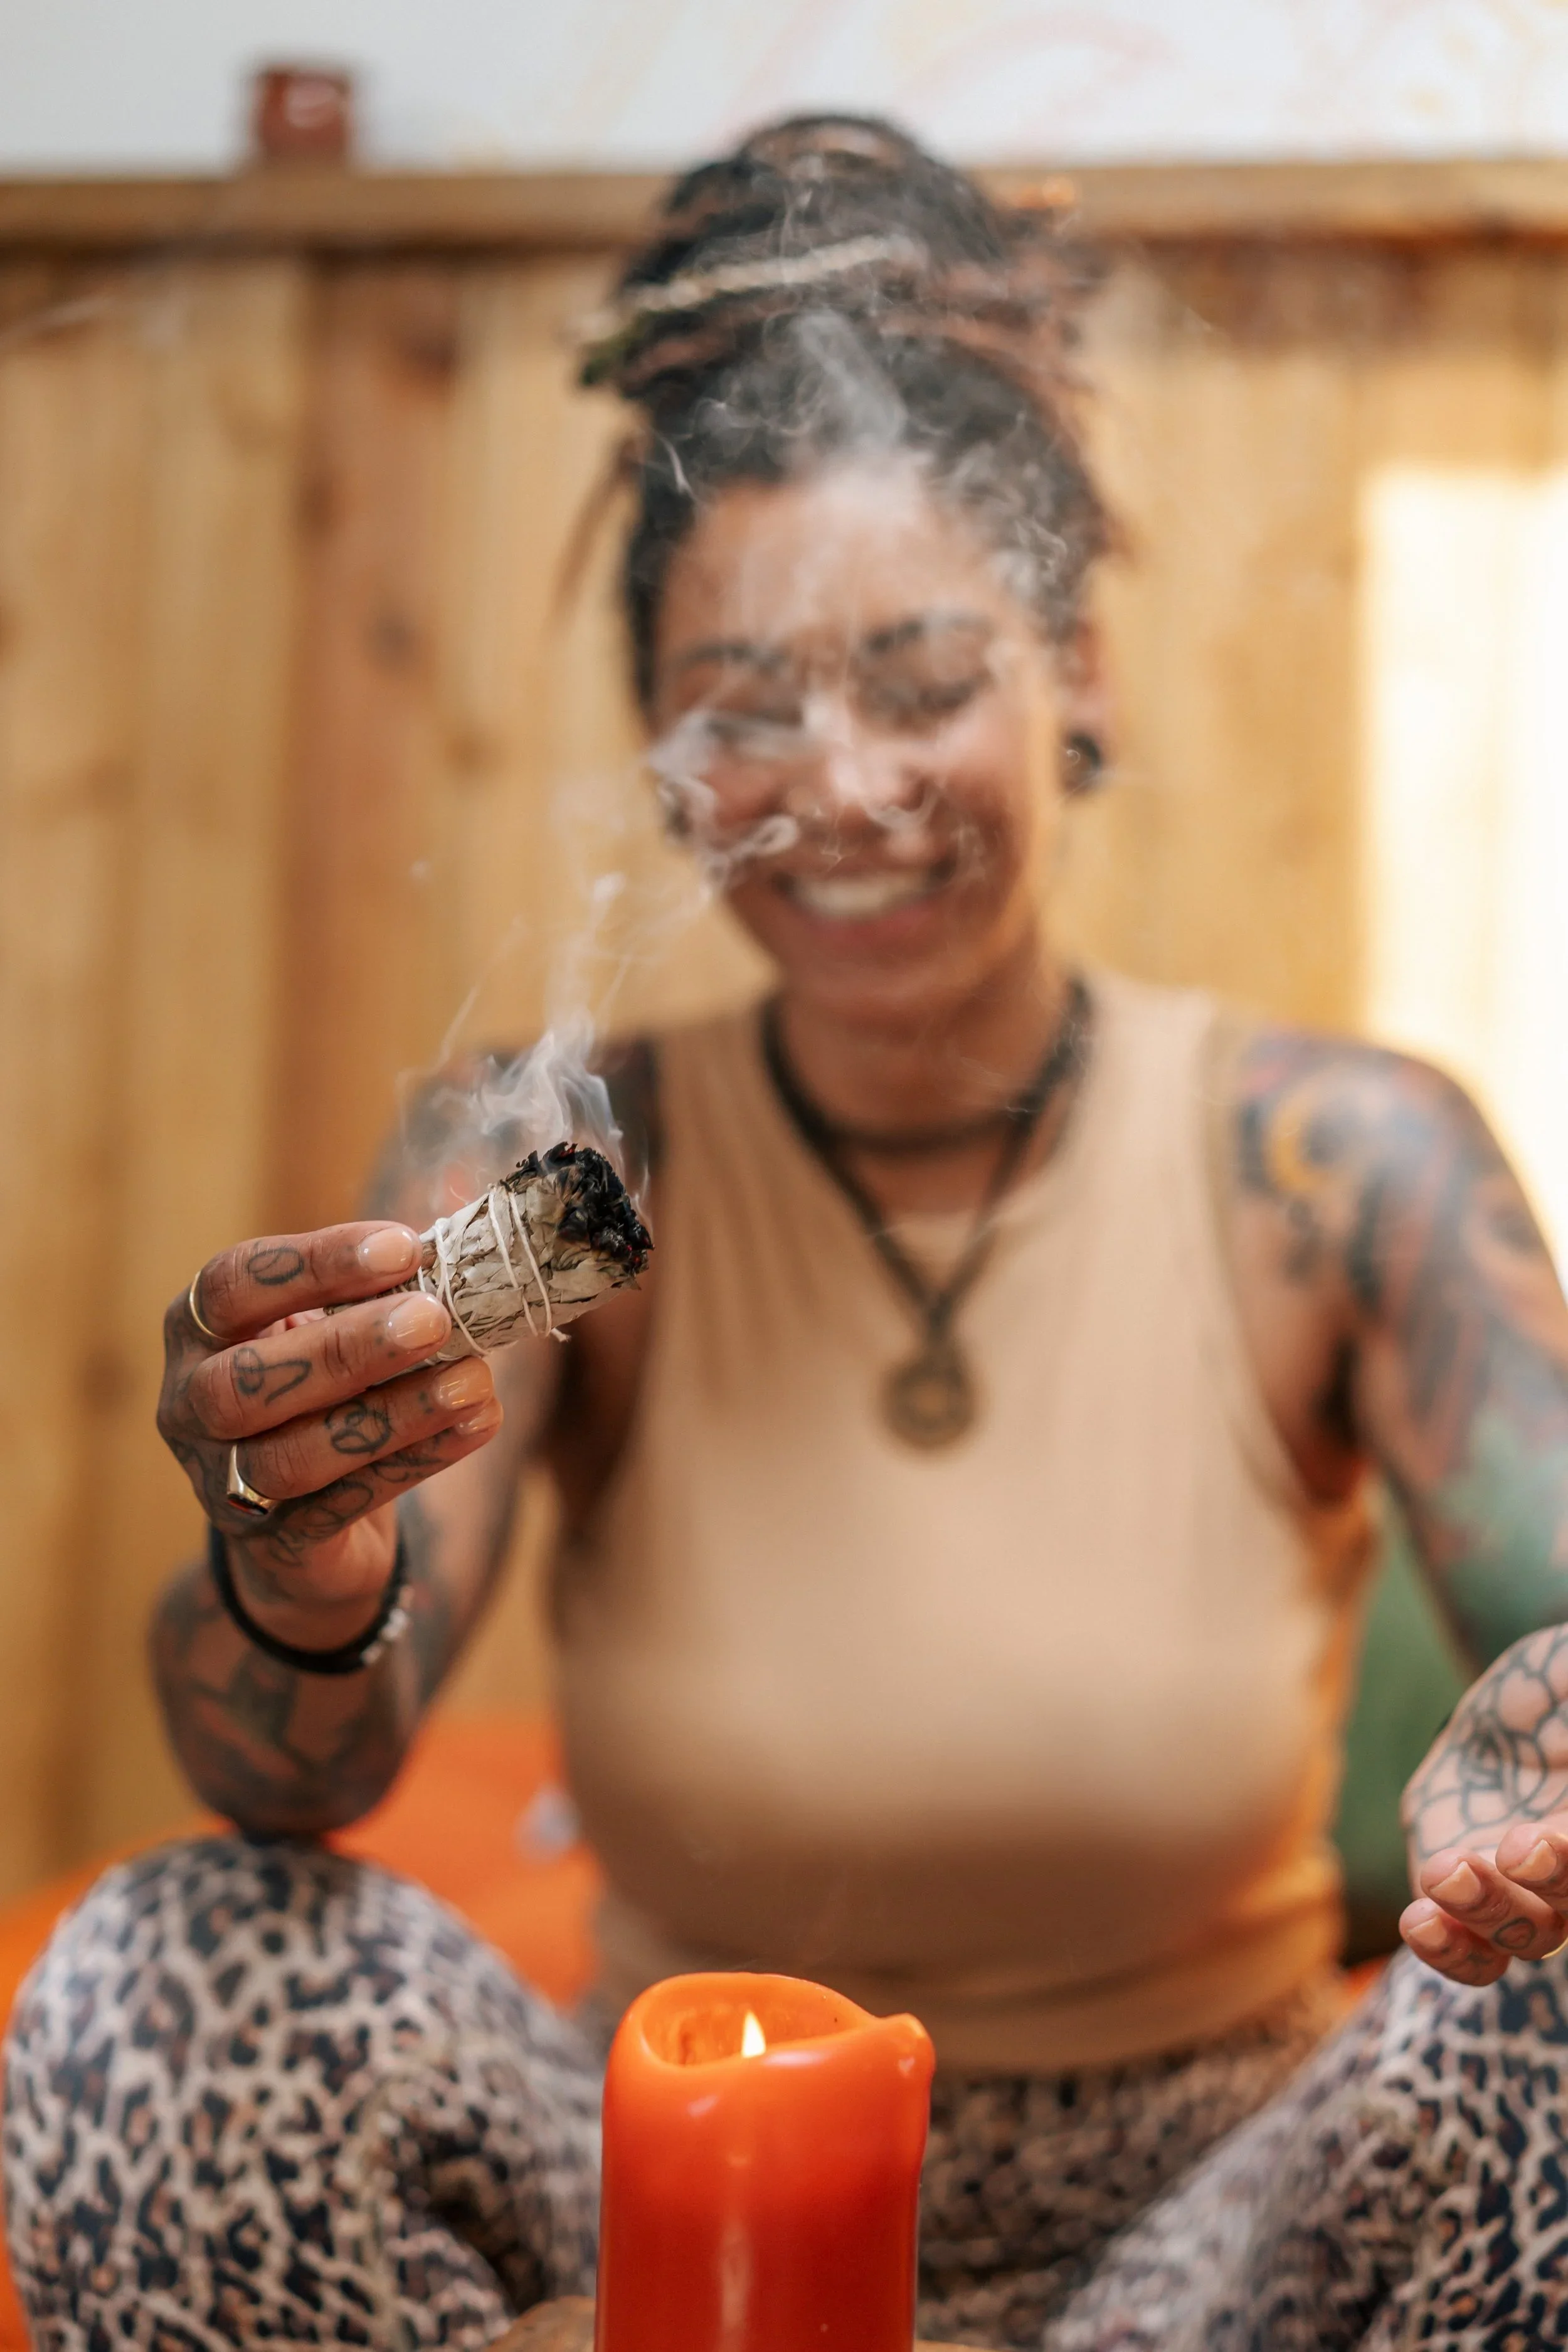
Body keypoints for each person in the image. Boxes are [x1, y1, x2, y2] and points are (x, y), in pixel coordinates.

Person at [8, 116, 1568, 2352]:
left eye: (922, 681)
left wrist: (1541, 1751)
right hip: (666, 2204)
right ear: (656, 745)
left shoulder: (1341, 1164)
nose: (839, 787)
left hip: (1214, 2249)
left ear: (1077, 668)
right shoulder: (550, 1158)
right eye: (744, 709)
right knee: (160, 1976)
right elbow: (291, 1773)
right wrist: (295, 1563)